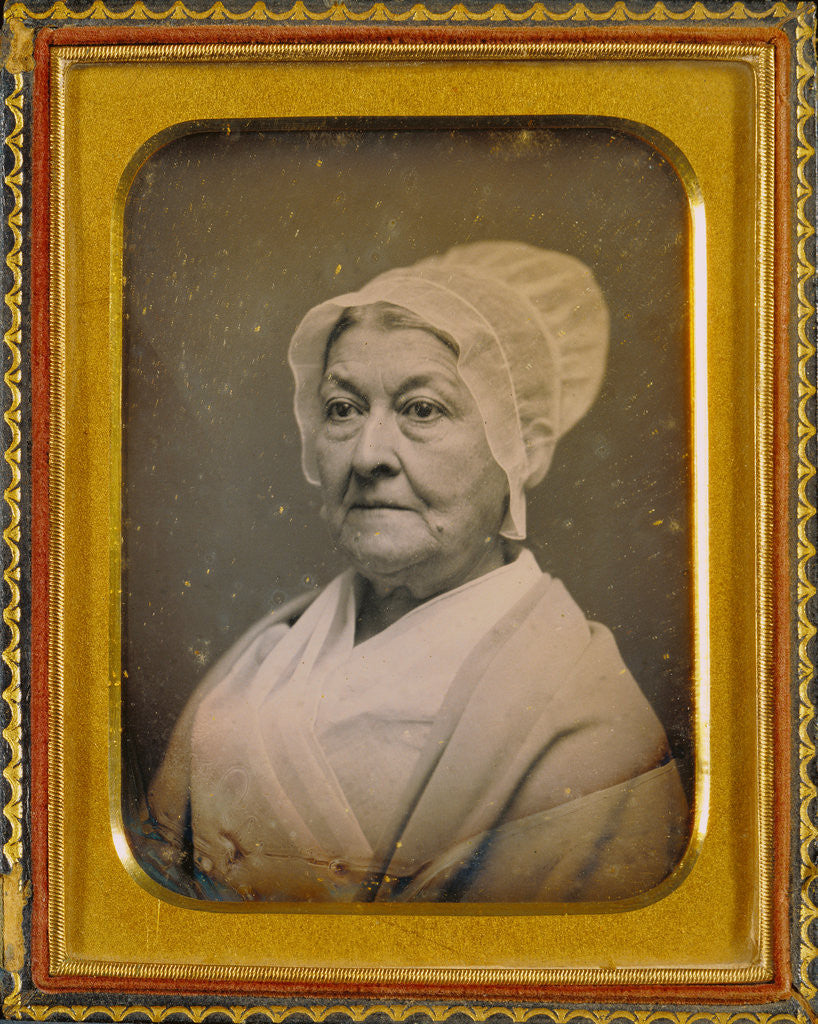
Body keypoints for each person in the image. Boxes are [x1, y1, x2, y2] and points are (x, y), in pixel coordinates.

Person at [132, 241, 689, 903]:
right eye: (342, 408)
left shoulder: (594, 737)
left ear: (528, 449)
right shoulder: (263, 658)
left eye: (422, 409)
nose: (369, 454)